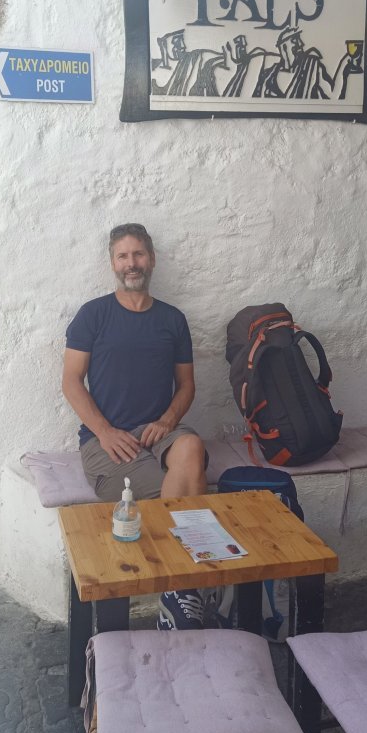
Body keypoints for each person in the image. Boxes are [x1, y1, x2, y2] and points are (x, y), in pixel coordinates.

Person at [62, 223, 209, 630]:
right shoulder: (93, 315)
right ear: (113, 263)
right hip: (105, 442)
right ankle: (185, 588)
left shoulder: (172, 319)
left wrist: (167, 420)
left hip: (159, 433)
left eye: (138, 254)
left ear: (152, 259)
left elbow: (186, 386)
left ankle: (178, 591)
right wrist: (105, 431)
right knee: (178, 489)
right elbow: (71, 381)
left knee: (191, 449)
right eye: (123, 256)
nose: (132, 263)